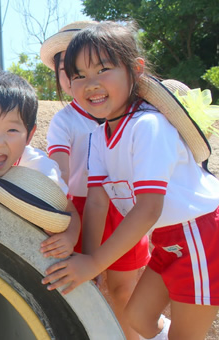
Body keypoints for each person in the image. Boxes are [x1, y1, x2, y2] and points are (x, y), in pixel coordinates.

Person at [42, 22, 219, 340]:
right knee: (137, 318)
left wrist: (94, 263)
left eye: (103, 69)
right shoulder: (99, 135)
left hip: (201, 234)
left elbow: (149, 208)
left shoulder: (148, 126)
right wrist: (90, 265)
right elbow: (97, 202)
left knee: (185, 335)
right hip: (168, 238)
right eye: (79, 75)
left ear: (135, 70)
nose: (90, 84)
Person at [40, 21, 150, 340]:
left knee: (123, 288)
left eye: (99, 67)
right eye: (73, 70)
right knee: (85, 286)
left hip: (123, 208)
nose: (89, 80)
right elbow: (58, 168)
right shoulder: (66, 120)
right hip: (81, 208)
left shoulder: (131, 119)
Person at [0, 71, 81, 259]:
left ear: (30, 135)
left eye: (12, 130)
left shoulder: (40, 169)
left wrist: (70, 238)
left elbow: (70, 211)